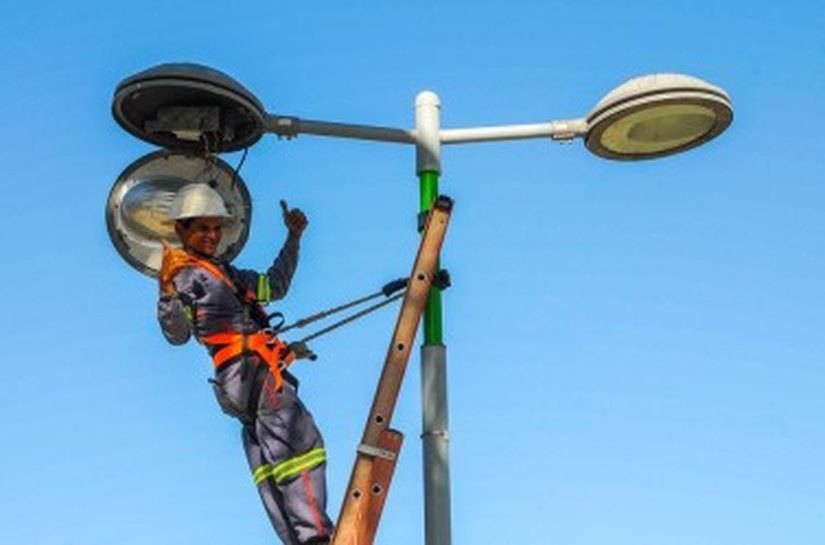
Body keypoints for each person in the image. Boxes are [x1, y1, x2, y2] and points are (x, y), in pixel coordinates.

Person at [156, 183, 334, 545]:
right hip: (252, 375)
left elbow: (276, 286)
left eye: (216, 228)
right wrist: (166, 288)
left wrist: (293, 239)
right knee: (300, 445)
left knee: (271, 459)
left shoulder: (229, 275)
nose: (212, 235)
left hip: (243, 381)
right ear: (182, 230)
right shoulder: (186, 275)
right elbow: (175, 334)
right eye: (203, 228)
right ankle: (314, 536)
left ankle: (300, 539)